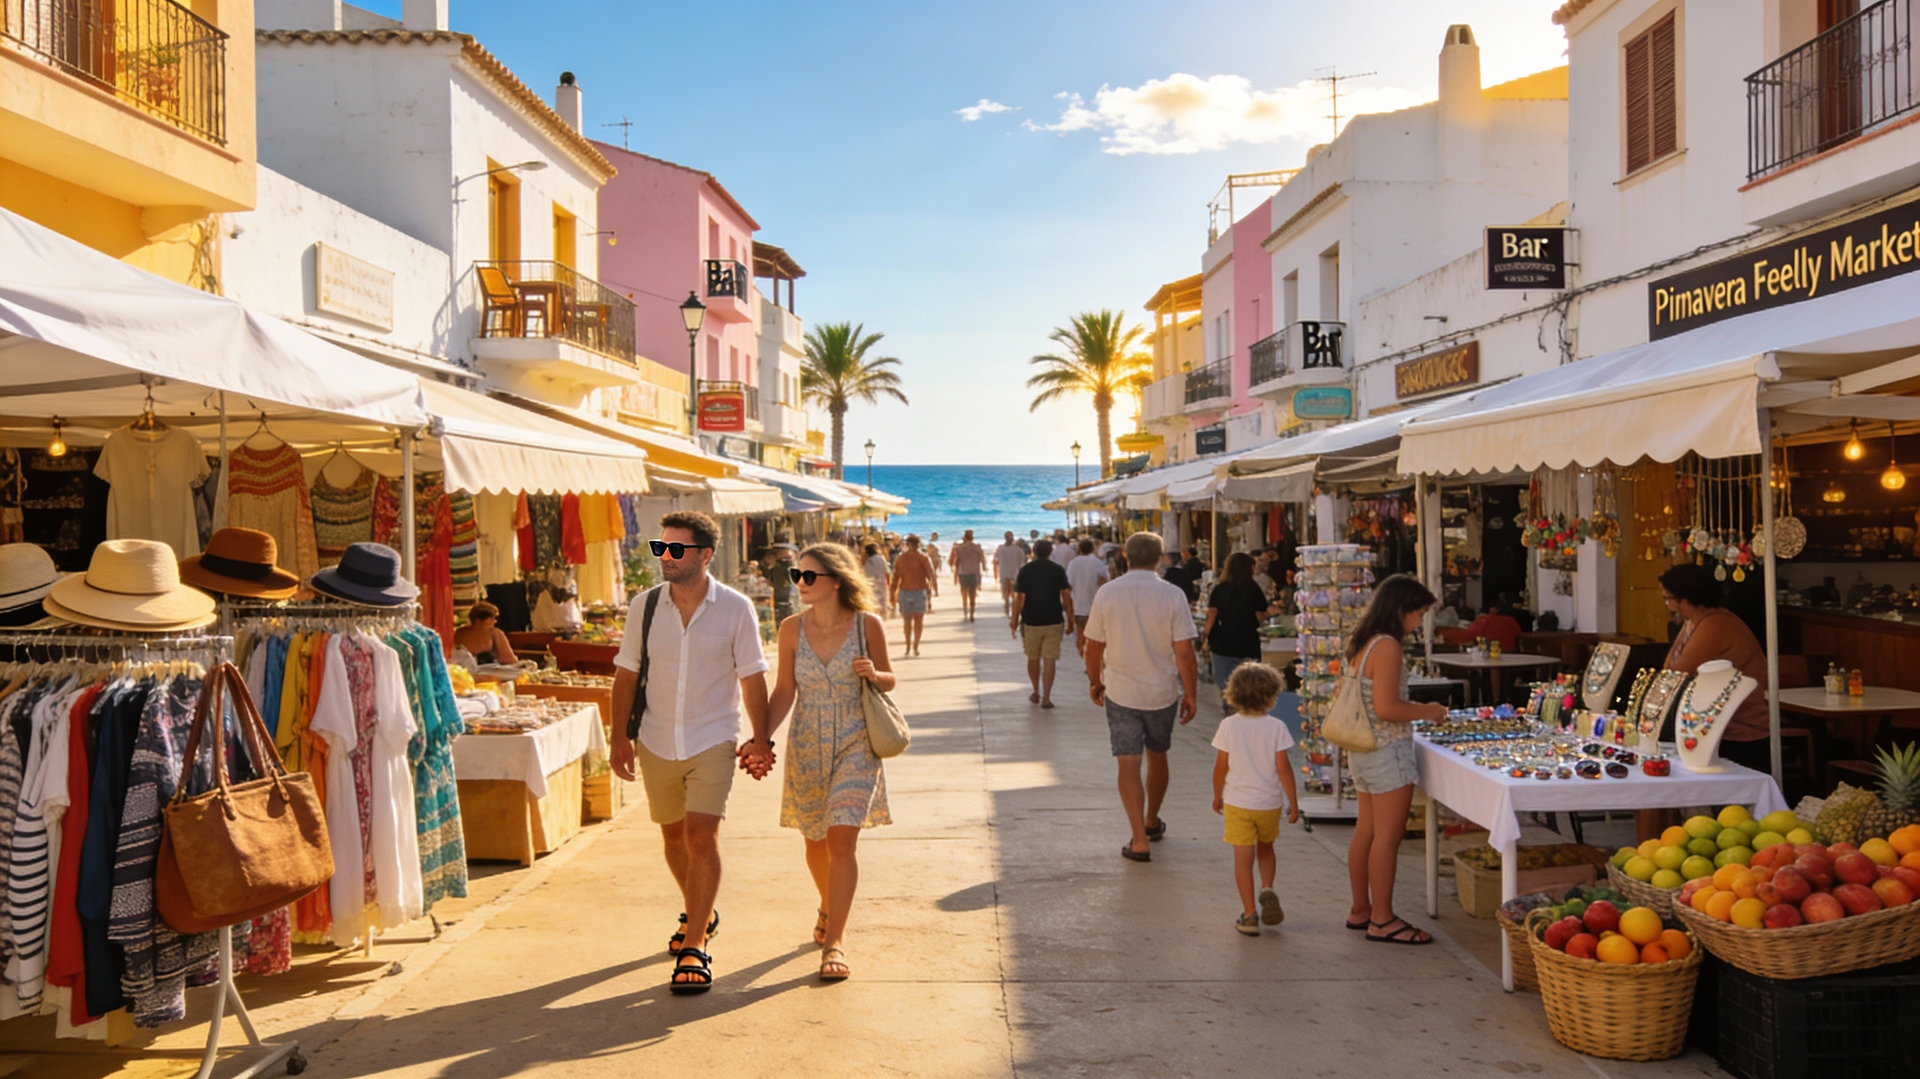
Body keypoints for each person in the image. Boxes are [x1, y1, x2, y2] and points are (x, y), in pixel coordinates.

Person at [609, 511, 773, 993]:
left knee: (702, 836)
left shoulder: (736, 608)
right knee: (673, 838)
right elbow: (626, 675)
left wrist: (760, 739)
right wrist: (619, 737)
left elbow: (752, 678)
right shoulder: (644, 606)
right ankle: (701, 909)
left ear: (705, 555)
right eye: (661, 548)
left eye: (676, 549)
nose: (665, 557)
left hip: (713, 737)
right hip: (655, 738)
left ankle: (695, 945)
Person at [763, 543, 894, 982]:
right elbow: (784, 691)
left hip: (858, 740)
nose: (799, 583)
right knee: (815, 840)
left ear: (836, 580)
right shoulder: (790, 630)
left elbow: (890, 677)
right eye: (797, 576)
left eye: (809, 577)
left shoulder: (866, 626)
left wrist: (874, 675)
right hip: (807, 742)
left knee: (841, 840)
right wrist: (761, 735)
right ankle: (827, 902)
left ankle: (835, 940)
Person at [1343, 574, 1447, 945]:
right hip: (1387, 751)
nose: (1419, 623)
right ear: (1400, 610)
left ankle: (1362, 909)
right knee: (1387, 837)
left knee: (1367, 832)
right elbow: (1387, 707)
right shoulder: (1387, 646)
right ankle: (1383, 919)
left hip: (1363, 750)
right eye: (1418, 614)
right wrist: (1428, 709)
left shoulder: (1362, 643)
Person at [1083, 531, 1199, 862]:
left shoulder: (1108, 593)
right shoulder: (1172, 595)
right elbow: (1185, 651)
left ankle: (1138, 840)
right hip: (1162, 691)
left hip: (1121, 690)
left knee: (1128, 762)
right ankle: (1151, 821)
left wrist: (1095, 681)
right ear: (1160, 557)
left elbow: (1094, 646)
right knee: (1158, 754)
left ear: (1125, 556)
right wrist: (1190, 693)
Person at [1210, 663, 1300, 935]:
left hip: (1238, 803)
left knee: (1242, 858)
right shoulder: (1276, 727)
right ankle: (1268, 888)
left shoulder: (1228, 726)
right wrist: (1293, 803)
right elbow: (1284, 769)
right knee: (1266, 848)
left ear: (1233, 694)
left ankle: (1249, 915)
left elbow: (1220, 767)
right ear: (1272, 696)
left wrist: (1217, 796)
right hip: (1269, 803)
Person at [1658, 563, 1771, 773]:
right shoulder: (1694, 621)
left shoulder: (1716, 623)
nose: (1666, 603)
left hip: (1738, 727)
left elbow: (1679, 670)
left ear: (1684, 597)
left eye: (1668, 598)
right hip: (1713, 723)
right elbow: (1669, 668)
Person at [1011, 539, 1073, 708]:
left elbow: (1019, 599)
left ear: (1033, 552)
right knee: (1050, 659)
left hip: (1031, 621)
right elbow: (1066, 598)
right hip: (1054, 620)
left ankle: (1036, 690)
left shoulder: (1025, 570)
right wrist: (1071, 620)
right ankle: (1047, 697)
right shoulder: (1058, 570)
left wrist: (1014, 620)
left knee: (1033, 657)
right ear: (1050, 552)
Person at [1202, 553, 1272, 702]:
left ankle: (1230, 715)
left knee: (1226, 687)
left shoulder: (1219, 589)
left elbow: (1212, 615)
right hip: (1248, 643)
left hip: (1222, 644)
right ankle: (1248, 714)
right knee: (1249, 686)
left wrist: (1206, 636)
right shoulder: (1253, 588)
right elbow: (1260, 613)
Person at [890, 534, 935, 657]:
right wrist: (930, 595)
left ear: (908, 545)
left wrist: (892, 593)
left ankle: (908, 646)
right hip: (919, 591)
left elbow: (895, 578)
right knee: (918, 621)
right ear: (918, 544)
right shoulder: (923, 558)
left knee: (907, 621)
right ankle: (915, 646)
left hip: (904, 591)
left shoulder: (901, 558)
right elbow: (928, 578)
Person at [1065, 538, 1108, 657]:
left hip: (1079, 604)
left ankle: (1084, 658)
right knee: (1097, 636)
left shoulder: (1073, 563)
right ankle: (1094, 661)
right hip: (1096, 605)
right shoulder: (1098, 563)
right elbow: (1104, 582)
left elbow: (1068, 584)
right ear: (1092, 548)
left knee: (1080, 633)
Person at [452, 601, 518, 666]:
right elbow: (507, 658)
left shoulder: (459, 632)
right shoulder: (495, 633)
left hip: (463, 670)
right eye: (493, 618)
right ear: (487, 619)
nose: (495, 621)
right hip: (489, 671)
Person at [950, 529, 987, 622]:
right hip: (974, 573)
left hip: (963, 573)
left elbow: (955, 561)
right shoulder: (977, 547)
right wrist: (984, 567)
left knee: (964, 594)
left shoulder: (959, 548)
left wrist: (955, 574)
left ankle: (965, 610)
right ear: (972, 537)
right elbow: (983, 560)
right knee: (972, 595)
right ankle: (972, 614)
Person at [993, 531, 1026, 615]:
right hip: (1011, 574)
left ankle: (1008, 610)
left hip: (1009, 574)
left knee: (1008, 594)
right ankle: (1010, 610)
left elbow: (995, 560)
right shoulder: (1017, 549)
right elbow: (1023, 561)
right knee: (1010, 594)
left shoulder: (1001, 548)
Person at [863, 542, 891, 618]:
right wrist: (888, 584)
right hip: (882, 583)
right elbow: (887, 572)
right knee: (882, 602)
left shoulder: (868, 562)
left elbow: (865, 574)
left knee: (874, 602)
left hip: (871, 585)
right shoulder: (882, 559)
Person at [924, 533, 943, 599]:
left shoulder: (931, 542)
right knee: (933, 575)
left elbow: (930, 550)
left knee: (932, 575)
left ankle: (934, 591)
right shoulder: (934, 542)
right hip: (934, 558)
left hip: (934, 559)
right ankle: (934, 591)